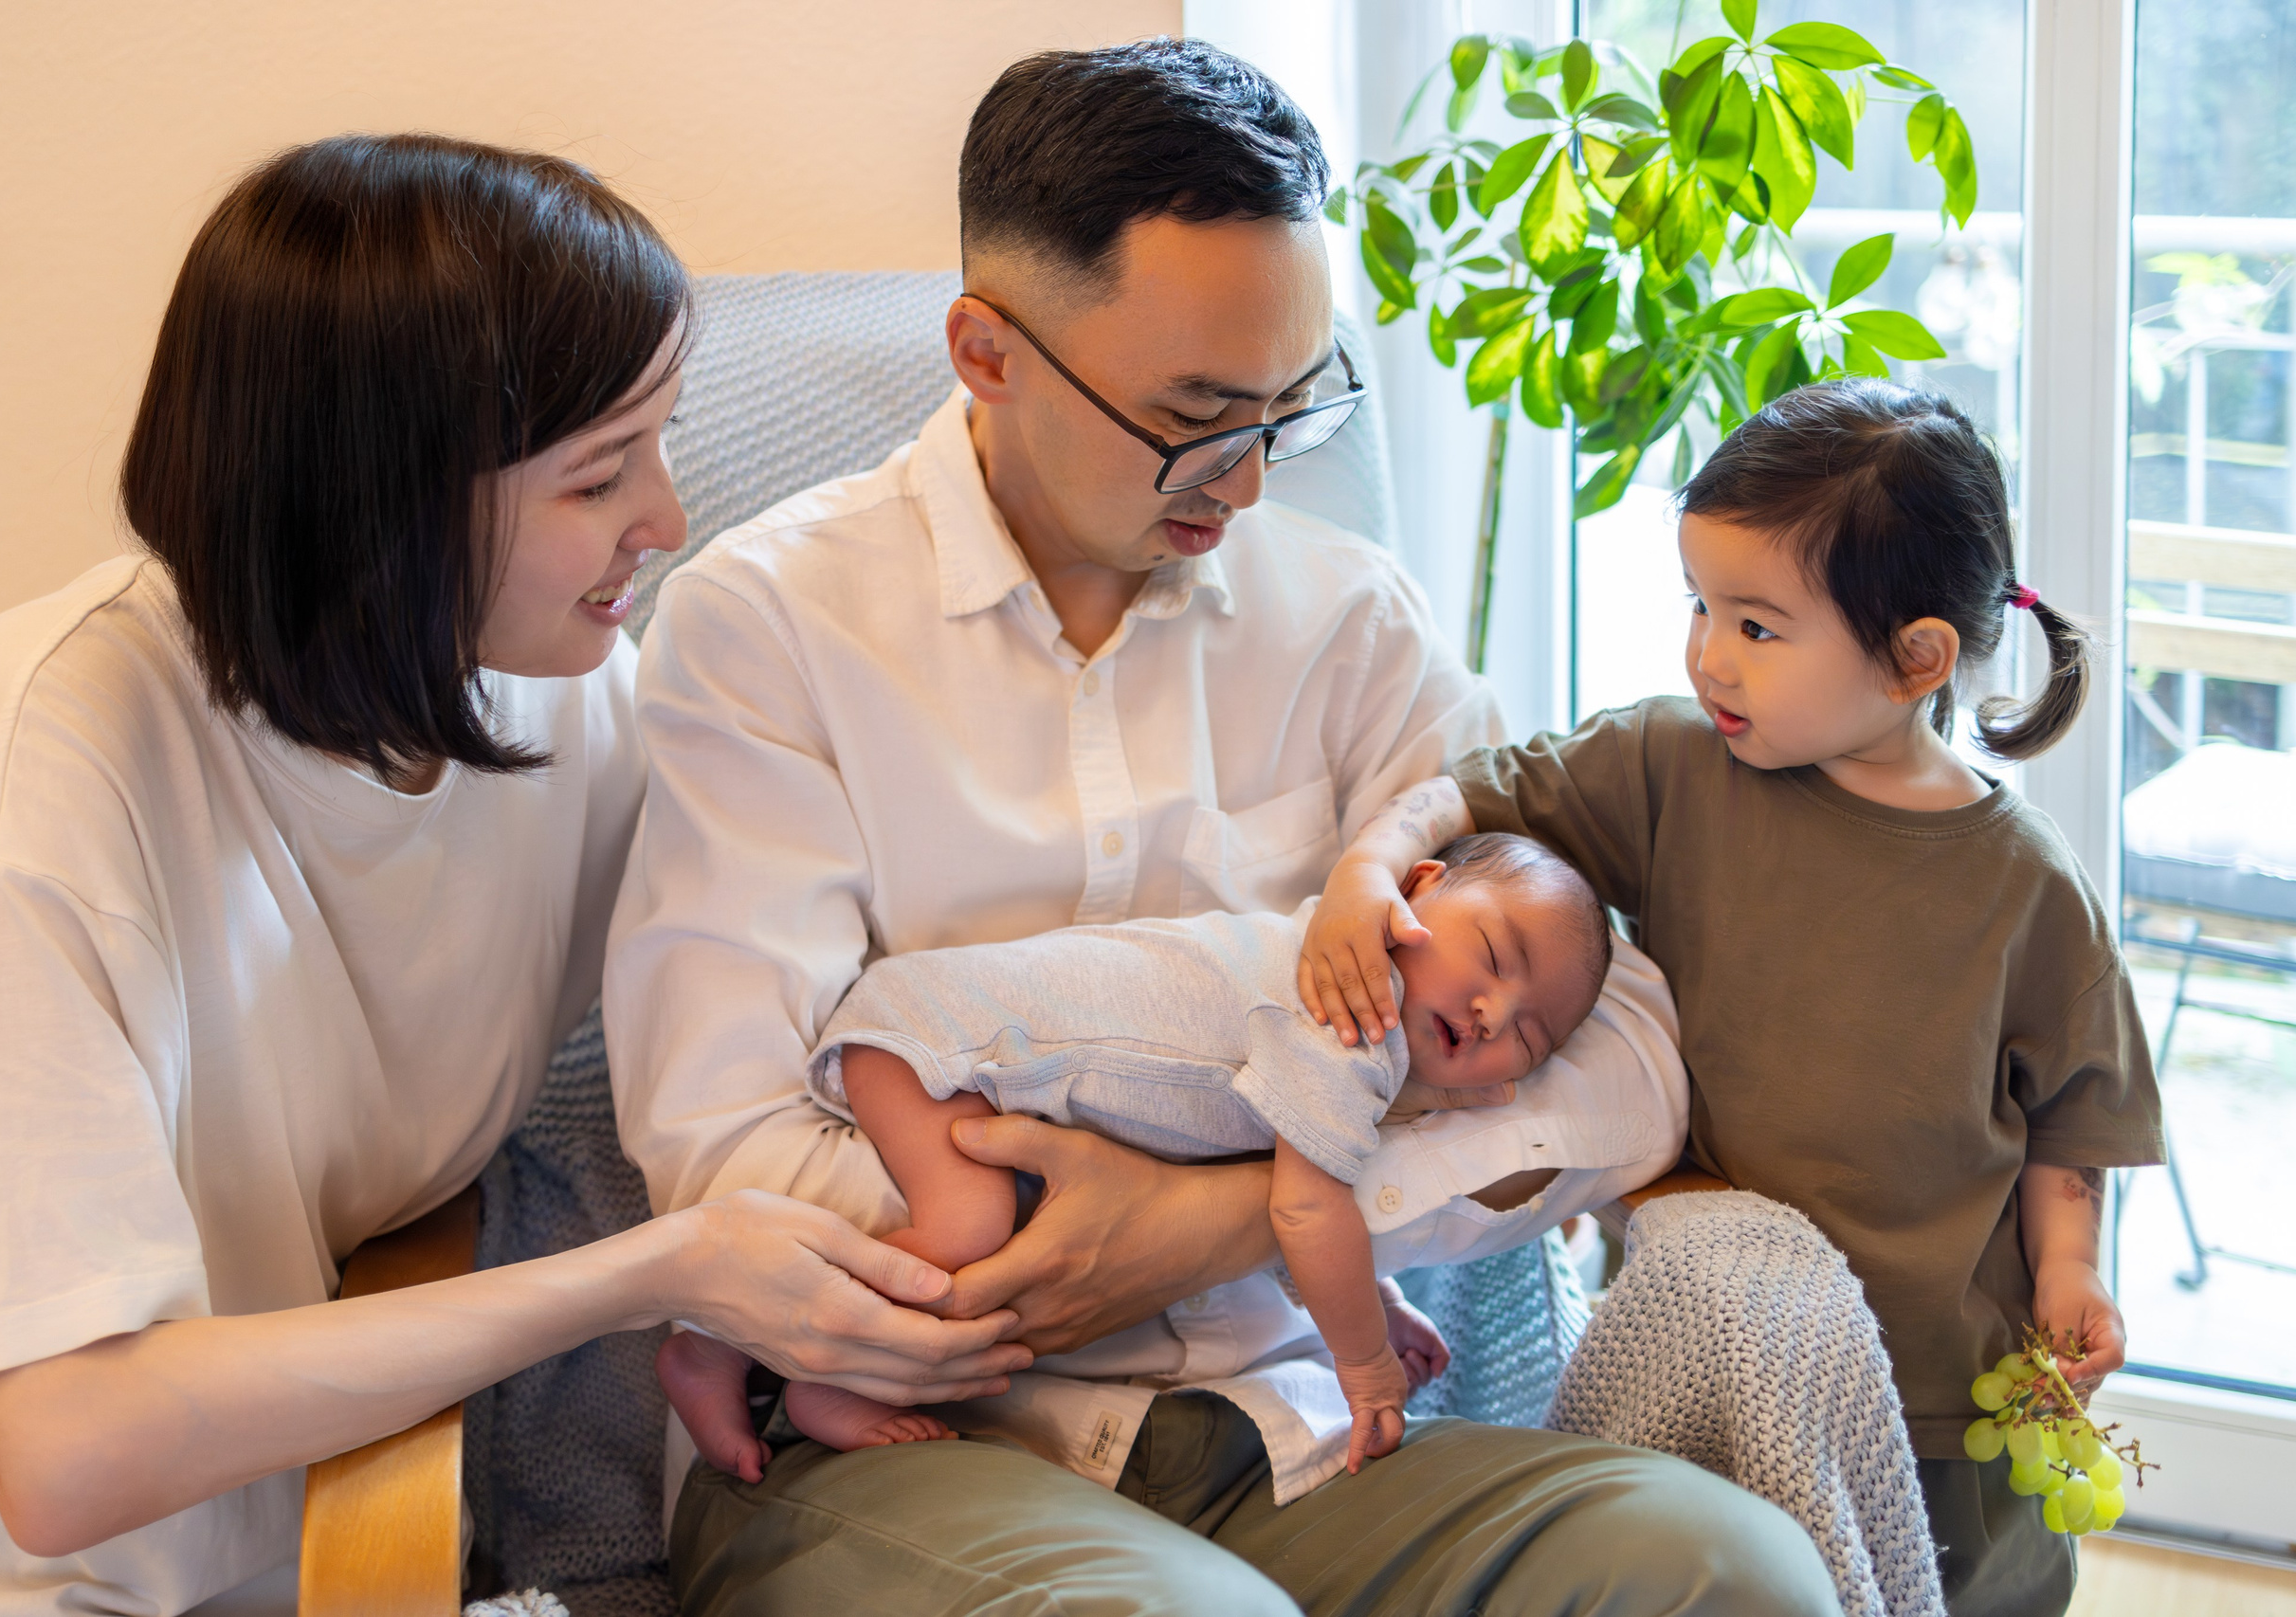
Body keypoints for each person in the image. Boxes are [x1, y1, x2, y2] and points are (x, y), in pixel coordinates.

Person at [610, 39, 1838, 1615]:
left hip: (1300, 1439)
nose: (1251, 486)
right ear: (985, 354)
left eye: (1292, 411)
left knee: (1735, 1572)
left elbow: (1626, 1057)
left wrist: (1206, 1225)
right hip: (895, 1440)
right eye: (1197, 418)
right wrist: (1078, 1254)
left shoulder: (1352, 626)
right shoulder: (768, 629)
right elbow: (725, 1152)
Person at [0, 134, 1027, 1617]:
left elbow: (813, 970)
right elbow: (68, 1448)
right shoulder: (44, 769)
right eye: (600, 473)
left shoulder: (549, 690)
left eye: (660, 444)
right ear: (377, 502)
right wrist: (655, 1270)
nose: (666, 521)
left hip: (322, 1537)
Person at [1300, 378, 2166, 1617]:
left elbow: (2075, 1120)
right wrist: (1366, 873)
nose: (1710, 651)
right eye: (1701, 606)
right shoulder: (1670, 766)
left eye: (1758, 625)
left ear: (1916, 657)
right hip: (1723, 1349)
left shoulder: (2029, 888)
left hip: (1943, 1397)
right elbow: (1468, 795)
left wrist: (2073, 1266)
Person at [663, 831, 1613, 1481]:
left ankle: (748, 1347)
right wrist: (1362, 1363)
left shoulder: (1347, 1033)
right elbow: (1306, 1210)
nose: (1491, 1007)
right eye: (1488, 951)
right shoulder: (1346, 1019)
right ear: (1417, 888)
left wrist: (1387, 1300)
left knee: (981, 1223)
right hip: (930, 1038)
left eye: (1528, 1030)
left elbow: (1274, 1190)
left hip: (955, 1036)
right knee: (970, 1227)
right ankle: (751, 1350)